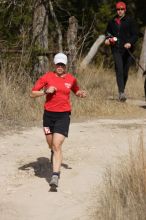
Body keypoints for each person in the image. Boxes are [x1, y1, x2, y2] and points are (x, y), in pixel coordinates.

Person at [30, 52, 86, 189]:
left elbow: (76, 90)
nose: (60, 66)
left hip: (63, 116)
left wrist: (80, 93)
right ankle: (53, 152)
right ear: (54, 65)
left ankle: (55, 176)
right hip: (48, 116)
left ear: (65, 65)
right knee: (51, 144)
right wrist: (45, 91)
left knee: (57, 145)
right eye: (58, 64)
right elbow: (32, 93)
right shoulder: (46, 77)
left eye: (62, 64)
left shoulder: (71, 79)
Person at [105, 1, 138, 102]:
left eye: (121, 9)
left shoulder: (130, 21)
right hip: (116, 50)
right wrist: (107, 39)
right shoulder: (112, 21)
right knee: (119, 69)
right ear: (116, 10)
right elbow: (107, 33)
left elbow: (135, 35)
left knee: (125, 72)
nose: (119, 11)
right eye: (118, 9)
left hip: (128, 50)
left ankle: (122, 89)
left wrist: (130, 43)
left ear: (125, 10)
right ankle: (121, 93)